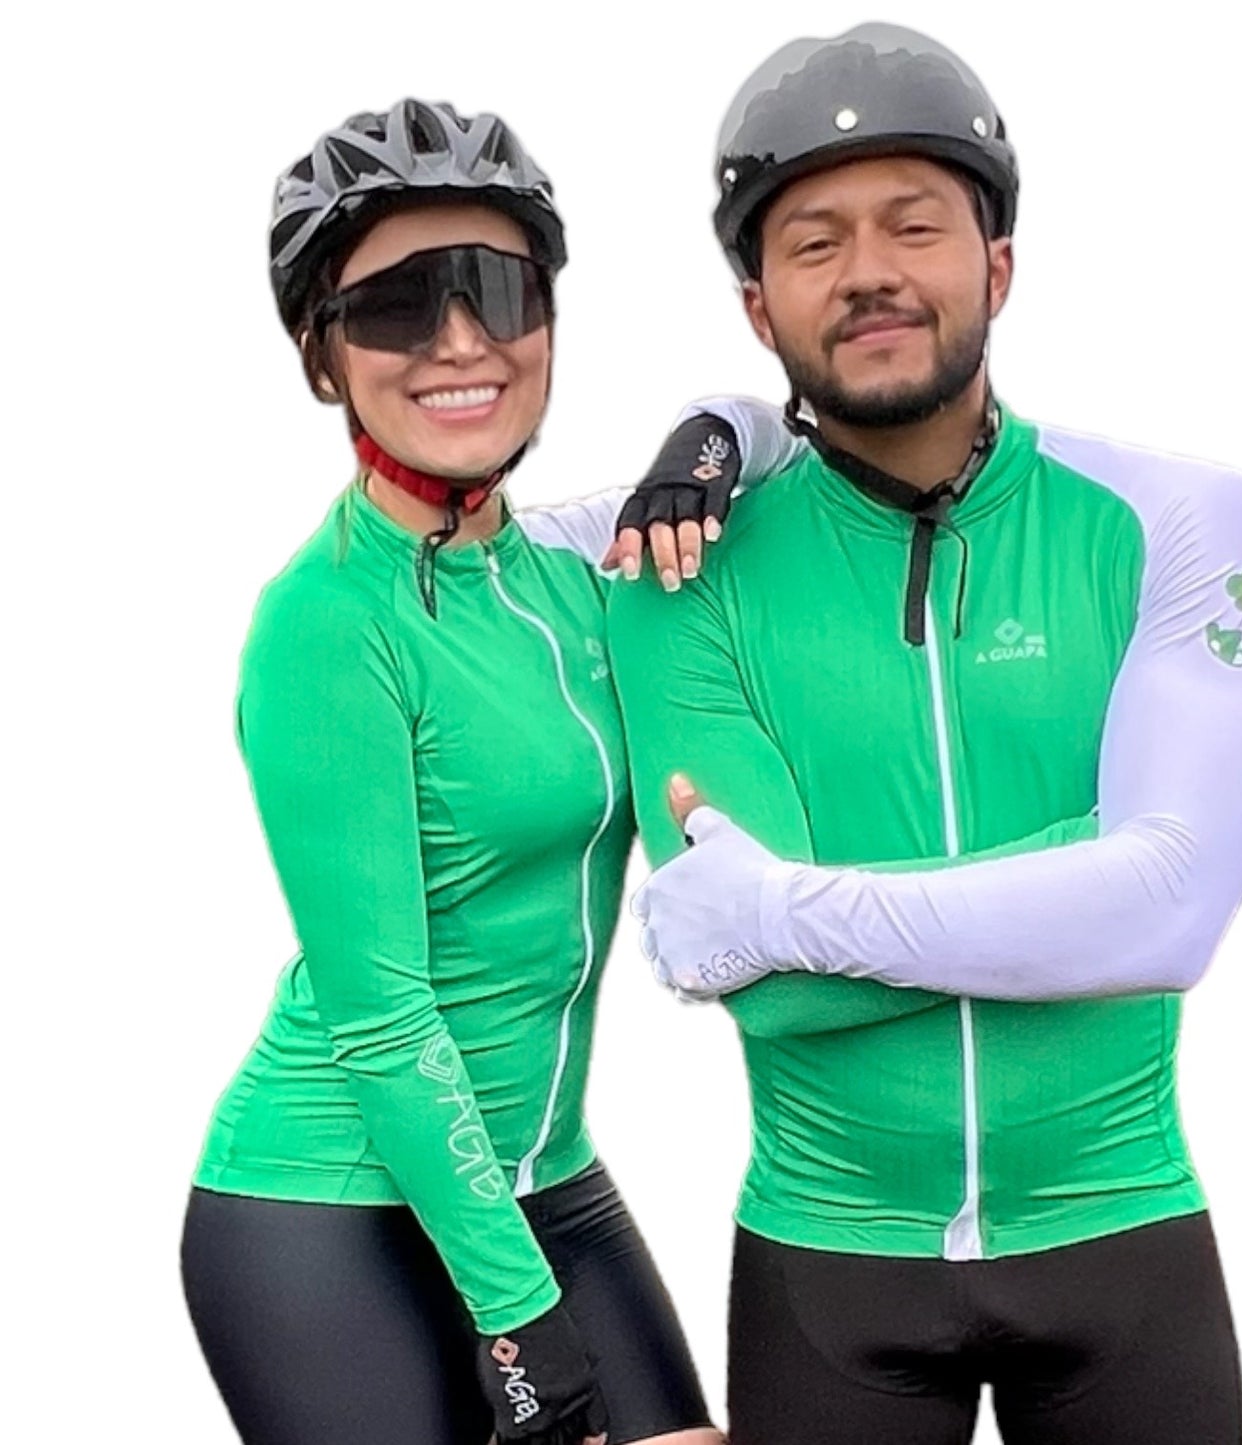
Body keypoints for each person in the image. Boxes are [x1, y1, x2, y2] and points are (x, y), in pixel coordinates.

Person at [608, 23, 1242, 1445]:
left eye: (914, 225)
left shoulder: (1175, 521)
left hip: (1122, 1232)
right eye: (815, 244)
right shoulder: (675, 566)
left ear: (998, 266)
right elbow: (762, 990)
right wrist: (1078, 872)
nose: (869, 271)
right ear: (757, 311)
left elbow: (1168, 911)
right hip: (826, 1258)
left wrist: (784, 907)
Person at [181, 98, 772, 1445]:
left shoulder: (571, 569)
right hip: (325, 1205)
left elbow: (792, 440)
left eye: (496, 293)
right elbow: (382, 1017)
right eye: (397, 306)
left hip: (542, 1176)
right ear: (323, 356)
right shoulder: (328, 623)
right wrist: (518, 1317)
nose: (458, 341)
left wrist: (712, 437)